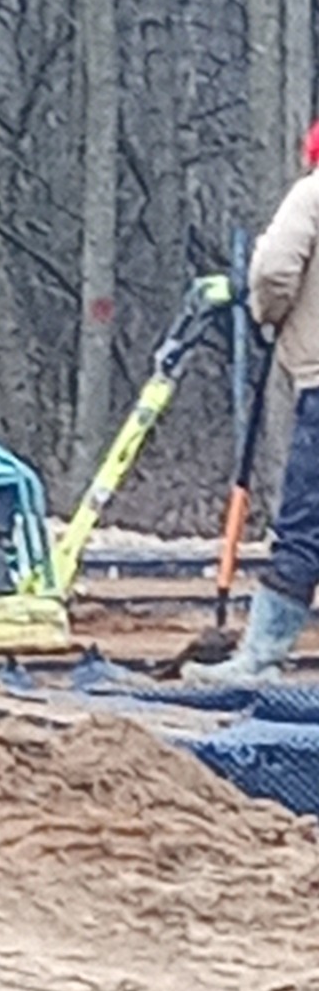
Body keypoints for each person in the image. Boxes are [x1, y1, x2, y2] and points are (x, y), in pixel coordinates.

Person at [189, 120, 319, 682]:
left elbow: (271, 269)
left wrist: (267, 314)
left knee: (304, 523)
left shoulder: (313, 194)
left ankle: (261, 657)